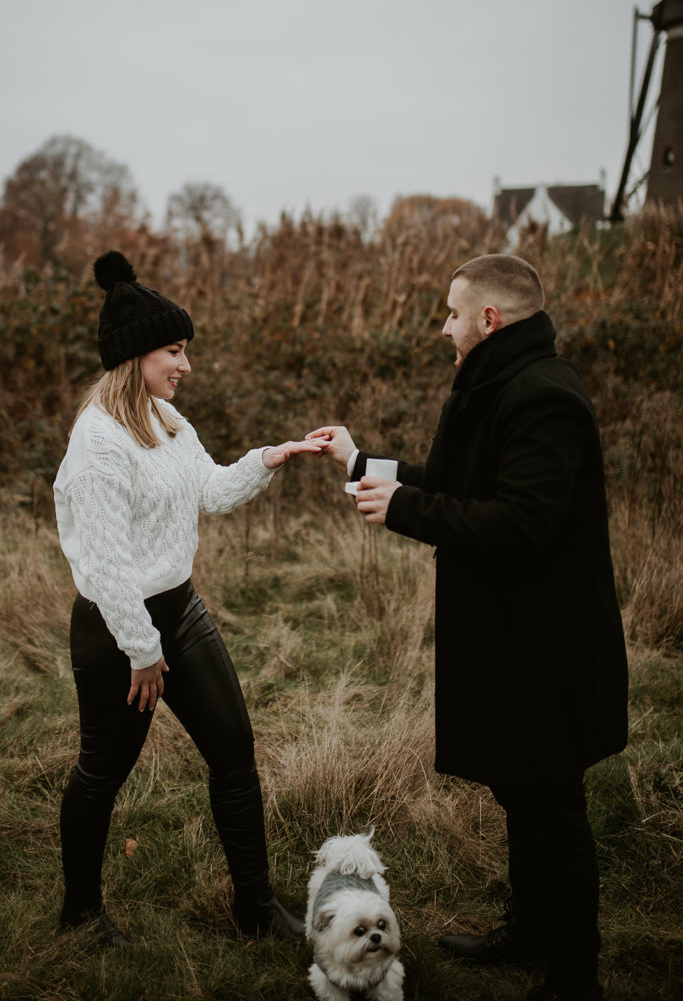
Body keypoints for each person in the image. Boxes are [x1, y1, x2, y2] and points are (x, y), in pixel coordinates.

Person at [307, 254, 628, 1001]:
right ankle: (529, 931)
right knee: (523, 790)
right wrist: (360, 462)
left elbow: (524, 521)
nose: (443, 326)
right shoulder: (495, 386)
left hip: (550, 647)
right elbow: (456, 485)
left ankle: (572, 973)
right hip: (513, 641)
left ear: (489, 319)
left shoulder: (542, 396)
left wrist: (405, 511)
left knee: (551, 805)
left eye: (451, 313)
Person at [54, 250, 324, 947]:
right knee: (102, 772)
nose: (186, 365)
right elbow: (108, 567)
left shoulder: (167, 420)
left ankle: (255, 909)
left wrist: (269, 459)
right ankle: (80, 912)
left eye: (184, 351)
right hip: (119, 633)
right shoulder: (98, 446)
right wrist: (143, 652)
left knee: (233, 748)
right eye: (174, 351)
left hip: (180, 611)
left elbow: (206, 490)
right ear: (135, 355)